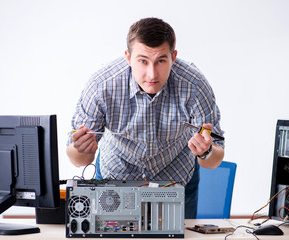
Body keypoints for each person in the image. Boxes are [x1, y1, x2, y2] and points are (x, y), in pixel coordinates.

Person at [66, 17, 225, 219]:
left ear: (173, 57)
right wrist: (81, 149)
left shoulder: (194, 86)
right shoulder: (101, 86)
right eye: (142, 61)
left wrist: (207, 151)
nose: (152, 74)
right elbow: (79, 159)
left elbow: (213, 160)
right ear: (128, 57)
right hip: (115, 177)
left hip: (176, 178)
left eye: (161, 61)